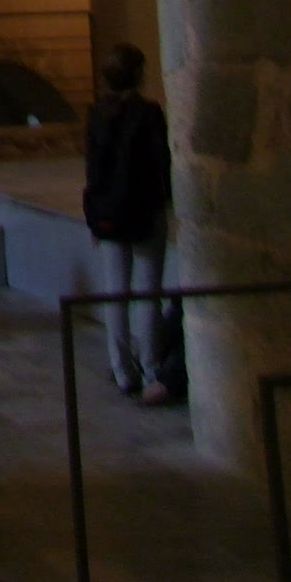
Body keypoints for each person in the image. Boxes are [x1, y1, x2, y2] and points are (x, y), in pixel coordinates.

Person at [84, 42, 173, 403]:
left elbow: (93, 171)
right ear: (138, 75)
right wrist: (165, 203)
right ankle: (151, 367)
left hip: (109, 213)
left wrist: (93, 217)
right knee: (148, 295)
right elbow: (161, 163)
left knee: (116, 294)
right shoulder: (148, 114)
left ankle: (122, 369)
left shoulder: (96, 115)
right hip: (144, 211)